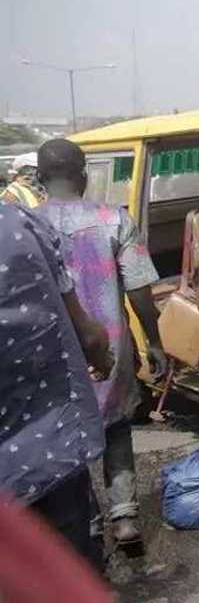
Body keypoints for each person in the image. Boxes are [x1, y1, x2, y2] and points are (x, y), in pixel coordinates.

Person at [35, 138, 168, 547]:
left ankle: (87, 522)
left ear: (39, 179)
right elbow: (141, 290)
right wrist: (156, 343)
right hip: (110, 348)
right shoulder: (116, 220)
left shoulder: (26, 226)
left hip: (53, 352)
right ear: (85, 176)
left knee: (65, 434)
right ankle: (124, 516)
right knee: (116, 427)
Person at [0, 199, 113, 568]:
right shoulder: (19, 223)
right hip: (52, 448)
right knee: (71, 562)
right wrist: (103, 359)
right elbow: (89, 334)